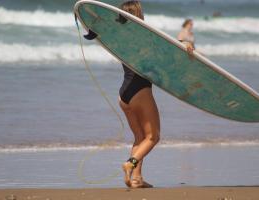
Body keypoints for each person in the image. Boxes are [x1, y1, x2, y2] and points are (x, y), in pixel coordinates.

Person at [83, 0, 194, 188]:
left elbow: (95, 31)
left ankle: (136, 178)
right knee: (153, 137)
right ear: (138, 14)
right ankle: (130, 164)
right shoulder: (144, 36)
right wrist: (185, 43)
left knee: (140, 138)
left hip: (124, 94)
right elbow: (166, 46)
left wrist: (89, 26)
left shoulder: (118, 37)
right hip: (140, 90)